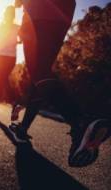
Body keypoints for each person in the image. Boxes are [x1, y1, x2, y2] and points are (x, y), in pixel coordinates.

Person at [11, 0, 110, 167]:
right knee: (42, 74)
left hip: (37, 10)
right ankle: (23, 128)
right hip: (63, 11)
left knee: (39, 71)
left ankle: (80, 122)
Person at [0, 5, 23, 121]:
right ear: (13, 15)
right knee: (3, 79)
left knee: (2, 78)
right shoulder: (17, 27)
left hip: (0, 57)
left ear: (5, 14)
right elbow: (22, 40)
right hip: (11, 57)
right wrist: (15, 42)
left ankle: (14, 104)